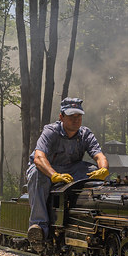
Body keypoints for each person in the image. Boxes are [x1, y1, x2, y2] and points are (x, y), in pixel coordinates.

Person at [26, 97, 109, 247]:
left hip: (72, 169)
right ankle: (39, 226)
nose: (76, 120)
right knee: (36, 173)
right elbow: (39, 157)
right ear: (61, 117)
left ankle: (93, 216)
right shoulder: (50, 131)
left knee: (92, 171)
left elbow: (99, 155)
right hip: (47, 168)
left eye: (79, 116)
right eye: (71, 116)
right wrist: (54, 175)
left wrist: (103, 169)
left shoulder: (85, 134)